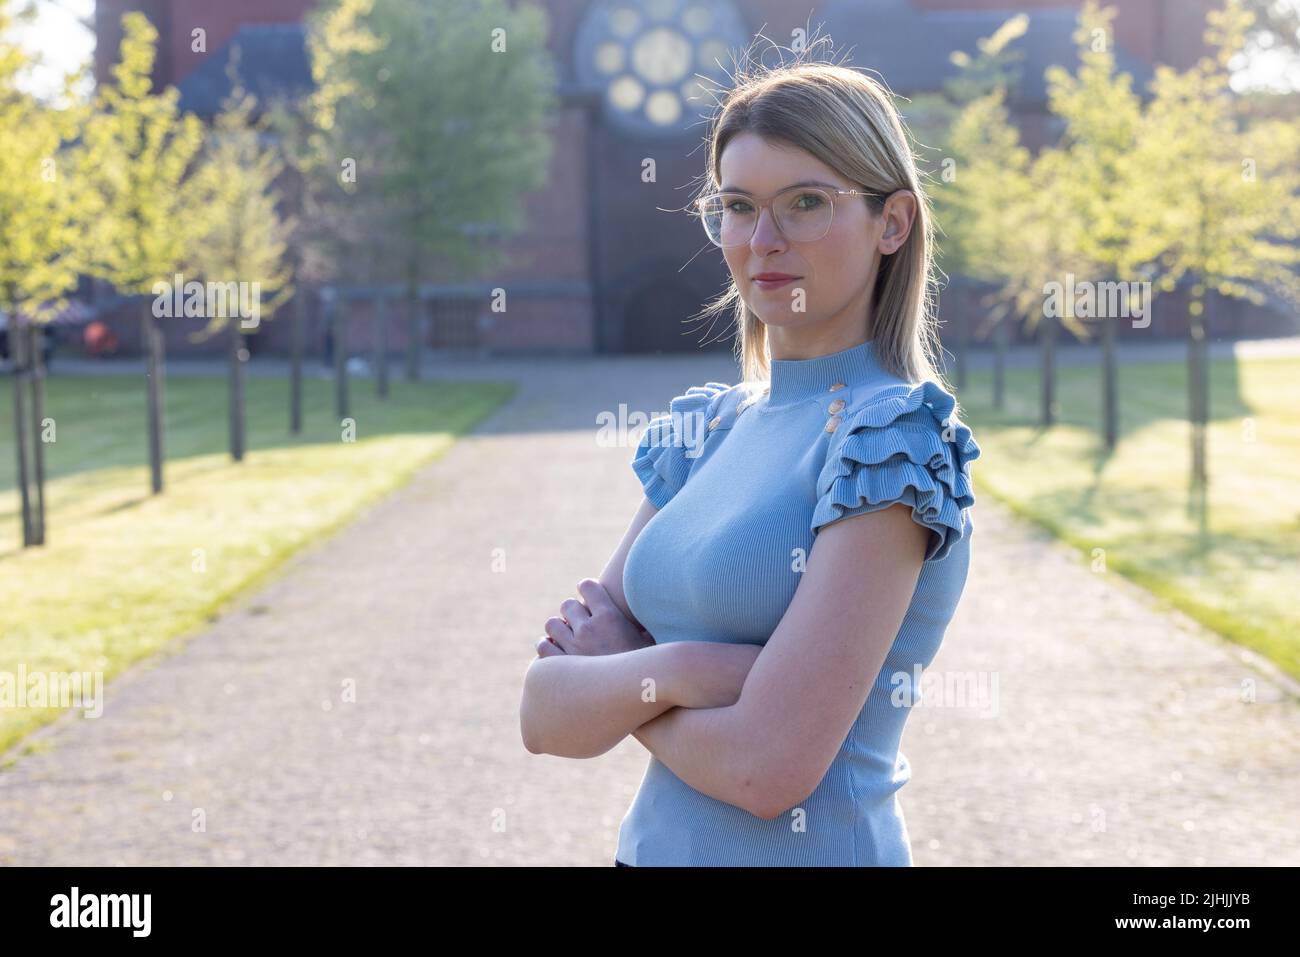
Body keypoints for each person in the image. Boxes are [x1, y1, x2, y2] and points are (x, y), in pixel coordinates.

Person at [520, 44, 982, 867]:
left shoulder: (891, 439)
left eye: (805, 202)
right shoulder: (708, 428)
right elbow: (545, 713)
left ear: (893, 221)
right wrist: (697, 667)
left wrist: (628, 677)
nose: (762, 240)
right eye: (737, 206)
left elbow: (767, 769)